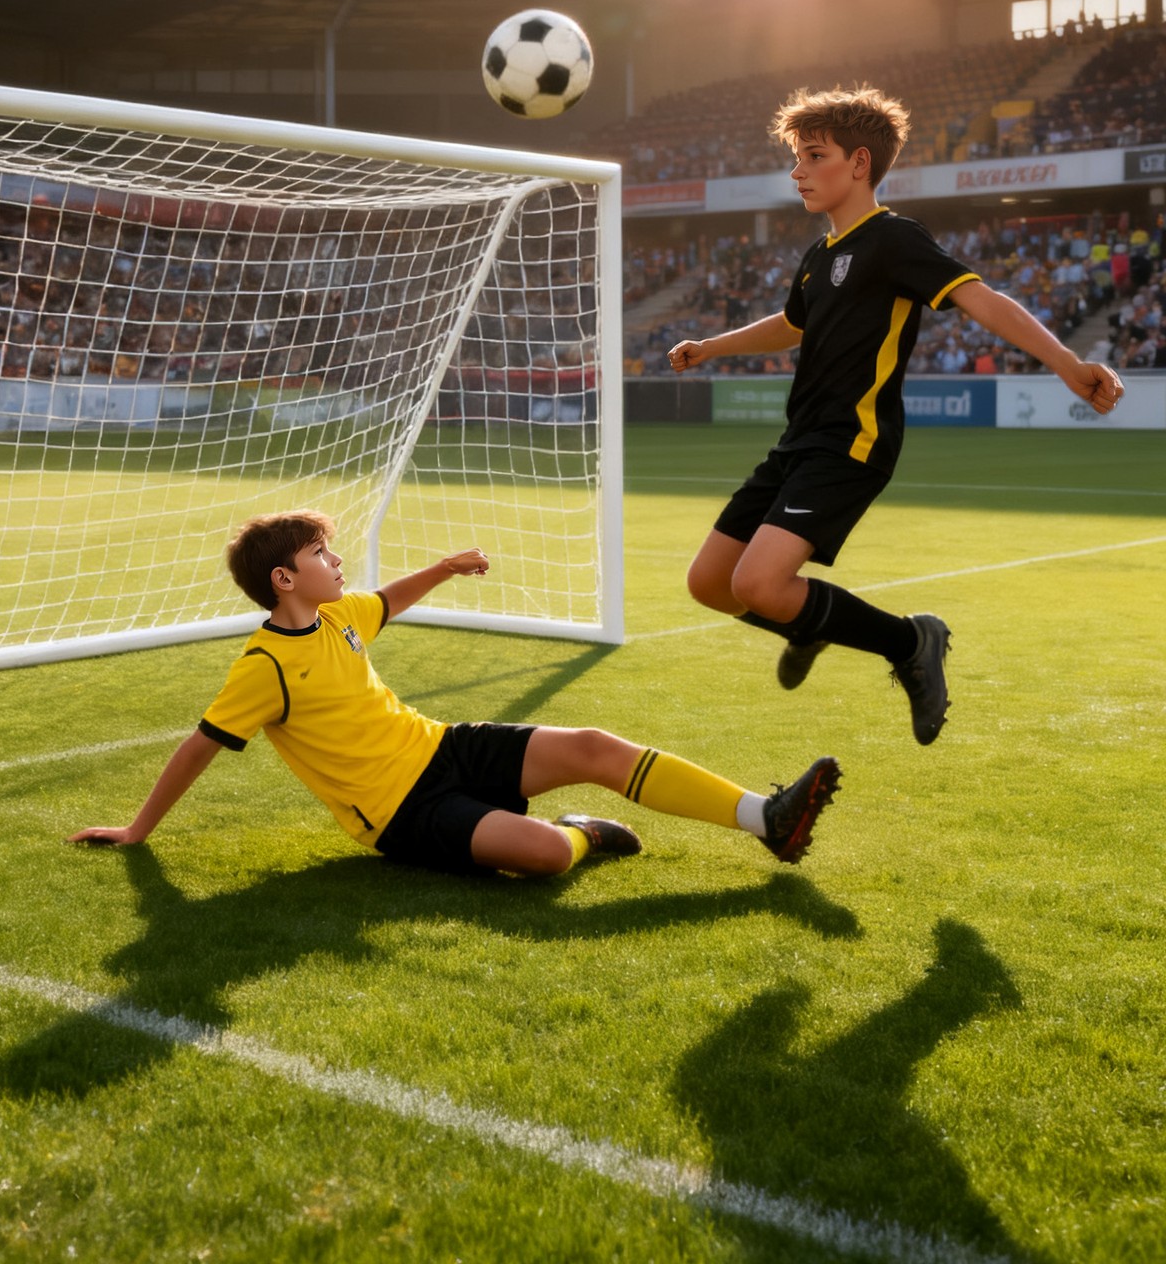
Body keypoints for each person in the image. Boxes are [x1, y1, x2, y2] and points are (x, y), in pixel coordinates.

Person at [667, 85, 1125, 744]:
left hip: (853, 441)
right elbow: (791, 326)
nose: (798, 170)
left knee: (760, 584)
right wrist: (713, 346)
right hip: (799, 442)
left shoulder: (893, 240)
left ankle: (911, 642)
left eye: (813, 155)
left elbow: (985, 301)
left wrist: (1066, 364)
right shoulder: (820, 255)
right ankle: (813, 623)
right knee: (711, 584)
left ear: (859, 163)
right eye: (796, 157)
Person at [67, 511, 841, 877]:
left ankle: (764, 818)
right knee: (544, 859)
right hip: (402, 814)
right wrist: (138, 831)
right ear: (283, 579)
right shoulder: (264, 667)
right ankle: (584, 832)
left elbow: (388, 600)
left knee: (594, 745)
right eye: (319, 554)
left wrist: (441, 568)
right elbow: (202, 744)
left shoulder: (339, 616)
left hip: (439, 745)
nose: (337, 562)